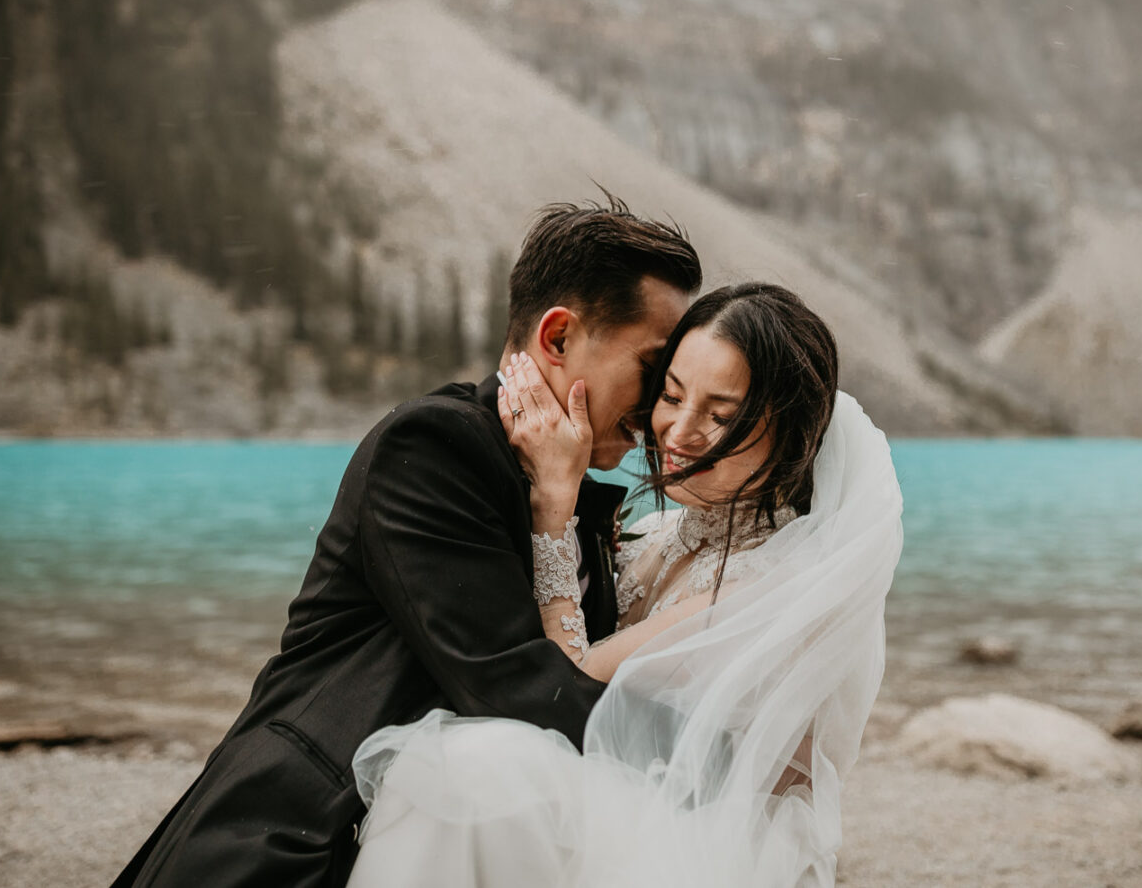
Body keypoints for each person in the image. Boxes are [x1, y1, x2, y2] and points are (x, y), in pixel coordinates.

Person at [109, 197, 701, 888]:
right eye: (654, 367)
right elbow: (515, 686)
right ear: (559, 337)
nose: (661, 404)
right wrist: (707, 756)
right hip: (299, 843)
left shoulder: (574, 495)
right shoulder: (434, 448)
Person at [346, 283, 904, 888]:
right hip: (635, 793)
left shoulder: (771, 582)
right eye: (670, 394)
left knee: (476, 766)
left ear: (792, 436)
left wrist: (554, 507)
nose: (677, 431)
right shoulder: (663, 533)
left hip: (700, 842)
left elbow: (569, 676)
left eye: (721, 417)